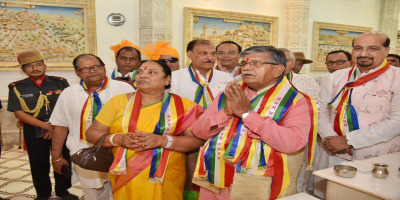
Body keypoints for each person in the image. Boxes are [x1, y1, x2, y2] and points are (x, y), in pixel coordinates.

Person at [192, 46, 317, 199]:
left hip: (260, 183)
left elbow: (294, 143)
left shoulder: (295, 101)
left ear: (278, 70)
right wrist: (226, 113)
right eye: (244, 64)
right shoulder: (230, 92)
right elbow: (198, 131)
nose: (247, 68)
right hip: (215, 178)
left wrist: (247, 114)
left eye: (256, 63)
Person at [85, 60, 205, 199]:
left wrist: (162, 141)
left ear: (167, 79)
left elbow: (197, 141)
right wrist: (118, 139)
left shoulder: (186, 106)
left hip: (167, 177)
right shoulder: (118, 102)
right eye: (140, 72)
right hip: (125, 176)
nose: (143, 75)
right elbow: (92, 133)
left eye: (151, 72)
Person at [315, 31, 400, 198]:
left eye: (372, 48)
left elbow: (397, 122)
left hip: (375, 155)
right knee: (329, 193)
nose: (363, 54)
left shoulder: (397, 77)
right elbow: (320, 109)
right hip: (331, 150)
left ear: (386, 50)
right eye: (358, 48)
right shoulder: (336, 77)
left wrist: (348, 141)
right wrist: (330, 138)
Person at [50, 54, 134, 200]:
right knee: (94, 195)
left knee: (122, 193)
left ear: (104, 67)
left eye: (96, 66)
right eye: (85, 68)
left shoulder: (123, 88)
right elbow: (60, 126)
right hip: (85, 155)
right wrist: (56, 157)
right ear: (77, 72)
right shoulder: (68, 93)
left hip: (120, 153)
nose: (92, 71)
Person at [7, 50, 77, 200]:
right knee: (38, 163)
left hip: (61, 127)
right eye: (29, 66)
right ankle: (43, 194)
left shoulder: (60, 82)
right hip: (34, 129)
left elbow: (69, 106)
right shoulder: (16, 87)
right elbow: (19, 113)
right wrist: (47, 127)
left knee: (63, 158)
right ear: (23, 69)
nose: (35, 68)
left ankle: (63, 191)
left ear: (45, 66)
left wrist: (55, 127)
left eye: (38, 64)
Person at [170, 39, 233, 199]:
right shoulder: (175, 77)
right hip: (186, 136)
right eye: (203, 53)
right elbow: (170, 107)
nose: (210, 58)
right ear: (190, 55)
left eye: (213, 54)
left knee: (213, 176)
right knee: (188, 176)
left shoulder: (225, 77)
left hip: (218, 136)